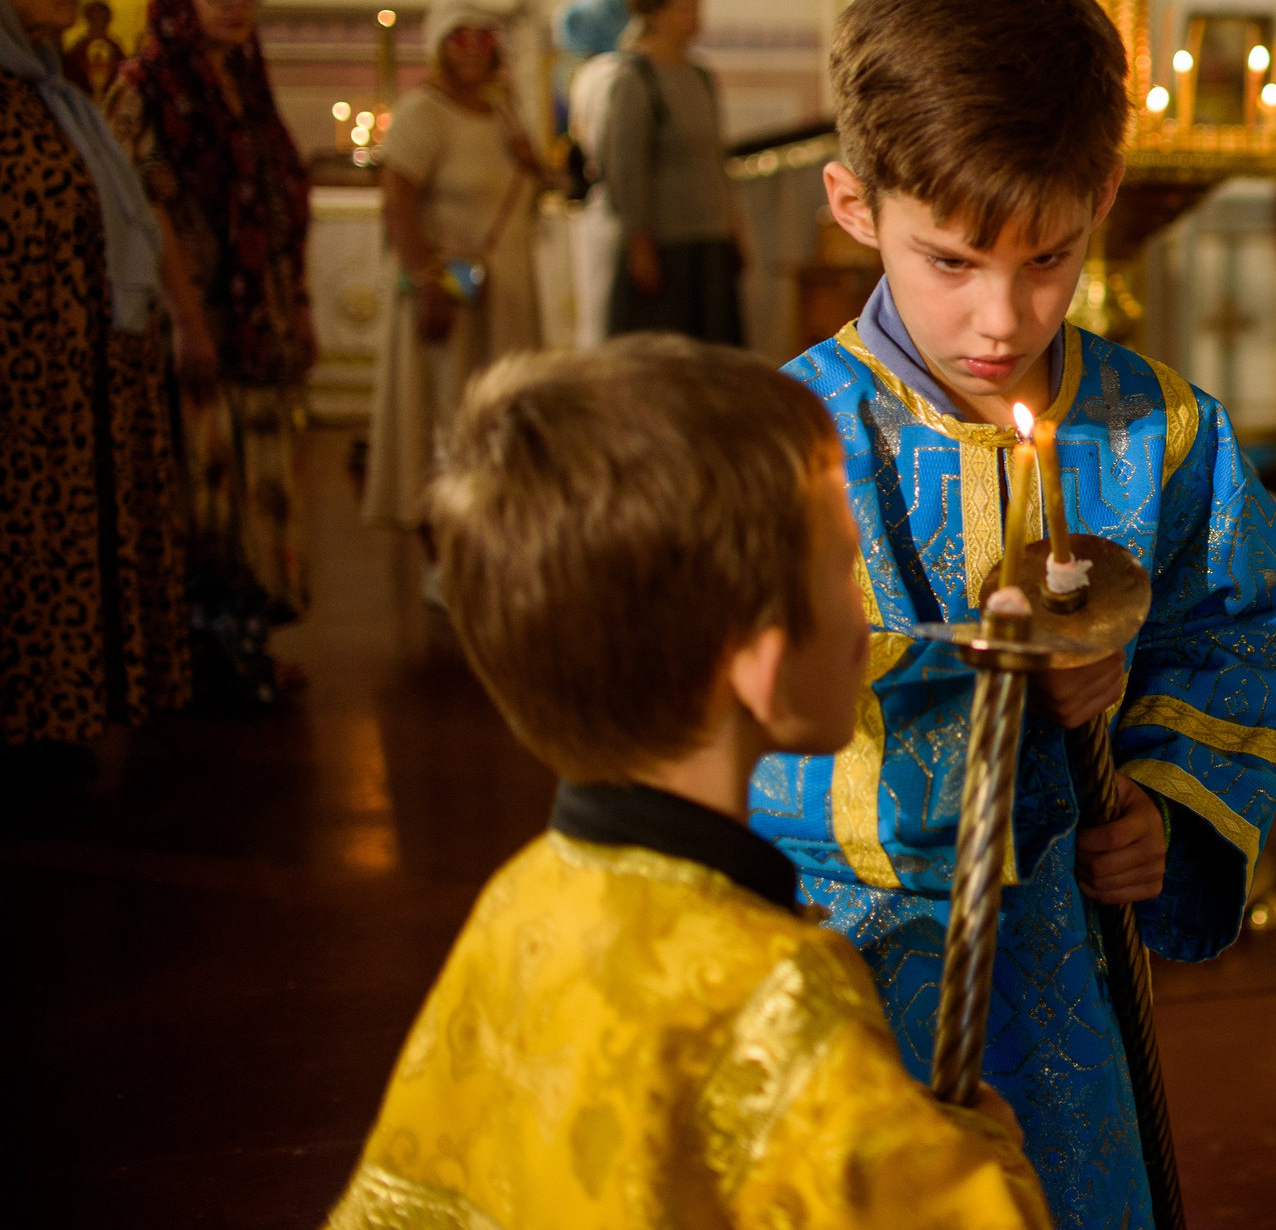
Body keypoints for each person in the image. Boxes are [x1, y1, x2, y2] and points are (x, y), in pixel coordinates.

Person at [748, 0, 1276, 1230]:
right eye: (947, 261)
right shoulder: (784, 438)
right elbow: (733, 702)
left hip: (1062, 950)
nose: (1001, 317)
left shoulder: (1156, 429)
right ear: (853, 204)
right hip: (848, 957)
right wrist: (996, 679)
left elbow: (1245, 625)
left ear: (1102, 196)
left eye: (1048, 257)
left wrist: (1162, 801)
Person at [327, 338, 1051, 1229]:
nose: (863, 614)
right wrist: (984, 1159)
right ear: (764, 665)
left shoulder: (516, 903)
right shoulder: (778, 993)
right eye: (842, 569)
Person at [0, 0, 188, 795]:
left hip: (72, 377)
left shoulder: (52, 88)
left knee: (60, 545)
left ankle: (54, 717)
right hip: (21, 380)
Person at [102, 0, 316, 691]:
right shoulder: (151, 82)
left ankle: (246, 648)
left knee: (258, 484)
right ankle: (194, 661)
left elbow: (276, 205)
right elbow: (148, 213)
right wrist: (189, 319)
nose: (233, 7)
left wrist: (299, 306)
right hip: (195, 319)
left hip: (258, 317)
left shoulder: (245, 81)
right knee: (205, 487)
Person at [362, 0, 544, 540]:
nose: (471, 51)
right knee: (441, 417)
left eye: (483, 39)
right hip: (448, 292)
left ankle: (488, 539)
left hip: (503, 293)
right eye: (458, 39)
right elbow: (397, 202)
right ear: (440, 47)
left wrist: (528, 154)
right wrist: (428, 282)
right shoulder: (424, 111)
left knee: (497, 424)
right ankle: (440, 548)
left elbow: (532, 185)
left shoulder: (503, 110)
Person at [601, 0, 743, 345]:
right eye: (684, 6)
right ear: (656, 12)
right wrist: (639, 242)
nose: (694, 16)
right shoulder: (638, 79)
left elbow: (717, 161)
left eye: (697, 5)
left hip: (708, 236)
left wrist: (734, 226)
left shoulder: (700, 77)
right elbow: (626, 166)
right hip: (666, 243)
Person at [554, 0, 628, 348]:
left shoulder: (587, 74)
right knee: (606, 316)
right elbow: (609, 148)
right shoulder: (611, 74)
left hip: (598, 208)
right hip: (611, 207)